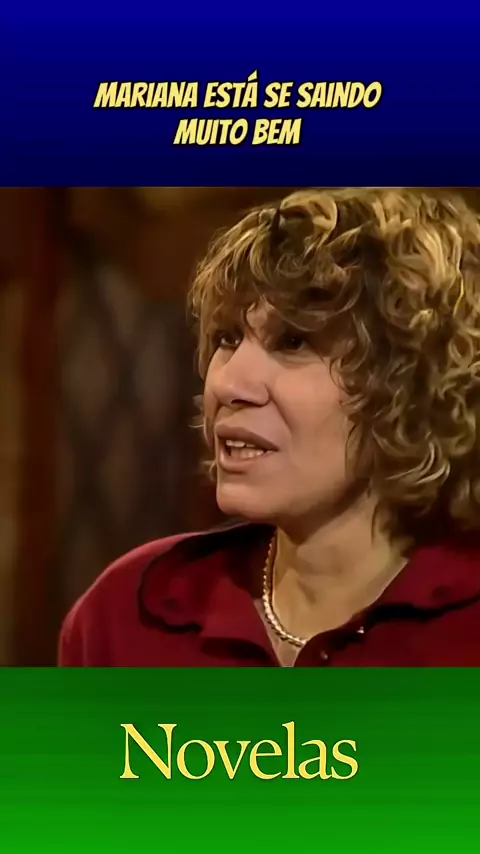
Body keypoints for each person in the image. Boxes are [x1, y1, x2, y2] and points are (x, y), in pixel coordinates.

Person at [58, 187, 480, 667]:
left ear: (413, 382)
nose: (228, 383)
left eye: (294, 342)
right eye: (227, 338)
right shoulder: (124, 617)